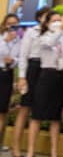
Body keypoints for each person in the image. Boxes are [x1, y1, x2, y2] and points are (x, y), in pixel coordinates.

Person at [26, 11, 63, 157]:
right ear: (47, 23)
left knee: (55, 117)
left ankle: (53, 151)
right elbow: (51, 42)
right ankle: (31, 150)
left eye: (60, 19)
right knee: (37, 115)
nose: (59, 22)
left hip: (59, 77)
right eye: (55, 20)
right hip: (46, 76)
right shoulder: (43, 36)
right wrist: (61, 28)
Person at [13, 6, 50, 157]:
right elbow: (23, 55)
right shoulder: (30, 32)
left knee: (38, 112)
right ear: (40, 17)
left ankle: (31, 150)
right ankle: (15, 147)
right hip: (32, 69)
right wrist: (22, 77)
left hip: (46, 70)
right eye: (46, 16)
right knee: (24, 110)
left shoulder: (52, 33)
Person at [0, 14, 21, 145]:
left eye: (15, 24)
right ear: (4, 25)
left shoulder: (20, 40)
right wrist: (6, 41)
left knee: (2, 111)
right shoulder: (1, 39)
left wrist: (13, 60)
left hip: (7, 75)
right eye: (10, 24)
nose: (12, 27)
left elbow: (21, 59)